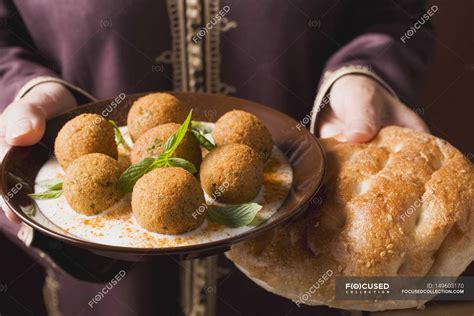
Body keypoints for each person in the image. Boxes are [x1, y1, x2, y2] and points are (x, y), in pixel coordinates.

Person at [0, 0, 433, 314]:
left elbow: (397, 10)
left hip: (301, 247)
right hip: (104, 292)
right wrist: (24, 91)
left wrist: (363, 72)